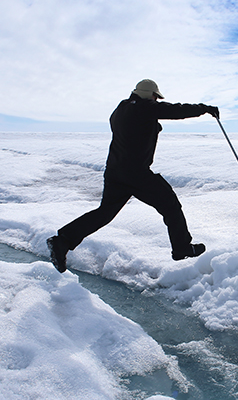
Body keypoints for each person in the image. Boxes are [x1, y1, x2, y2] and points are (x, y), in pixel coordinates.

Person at [47, 79, 220, 272]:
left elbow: (137, 127)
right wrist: (204, 108)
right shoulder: (145, 108)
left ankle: (62, 241)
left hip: (115, 171)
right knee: (170, 205)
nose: (156, 100)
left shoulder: (121, 108)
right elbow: (175, 110)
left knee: (105, 213)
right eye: (155, 96)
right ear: (149, 95)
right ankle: (182, 248)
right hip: (136, 173)